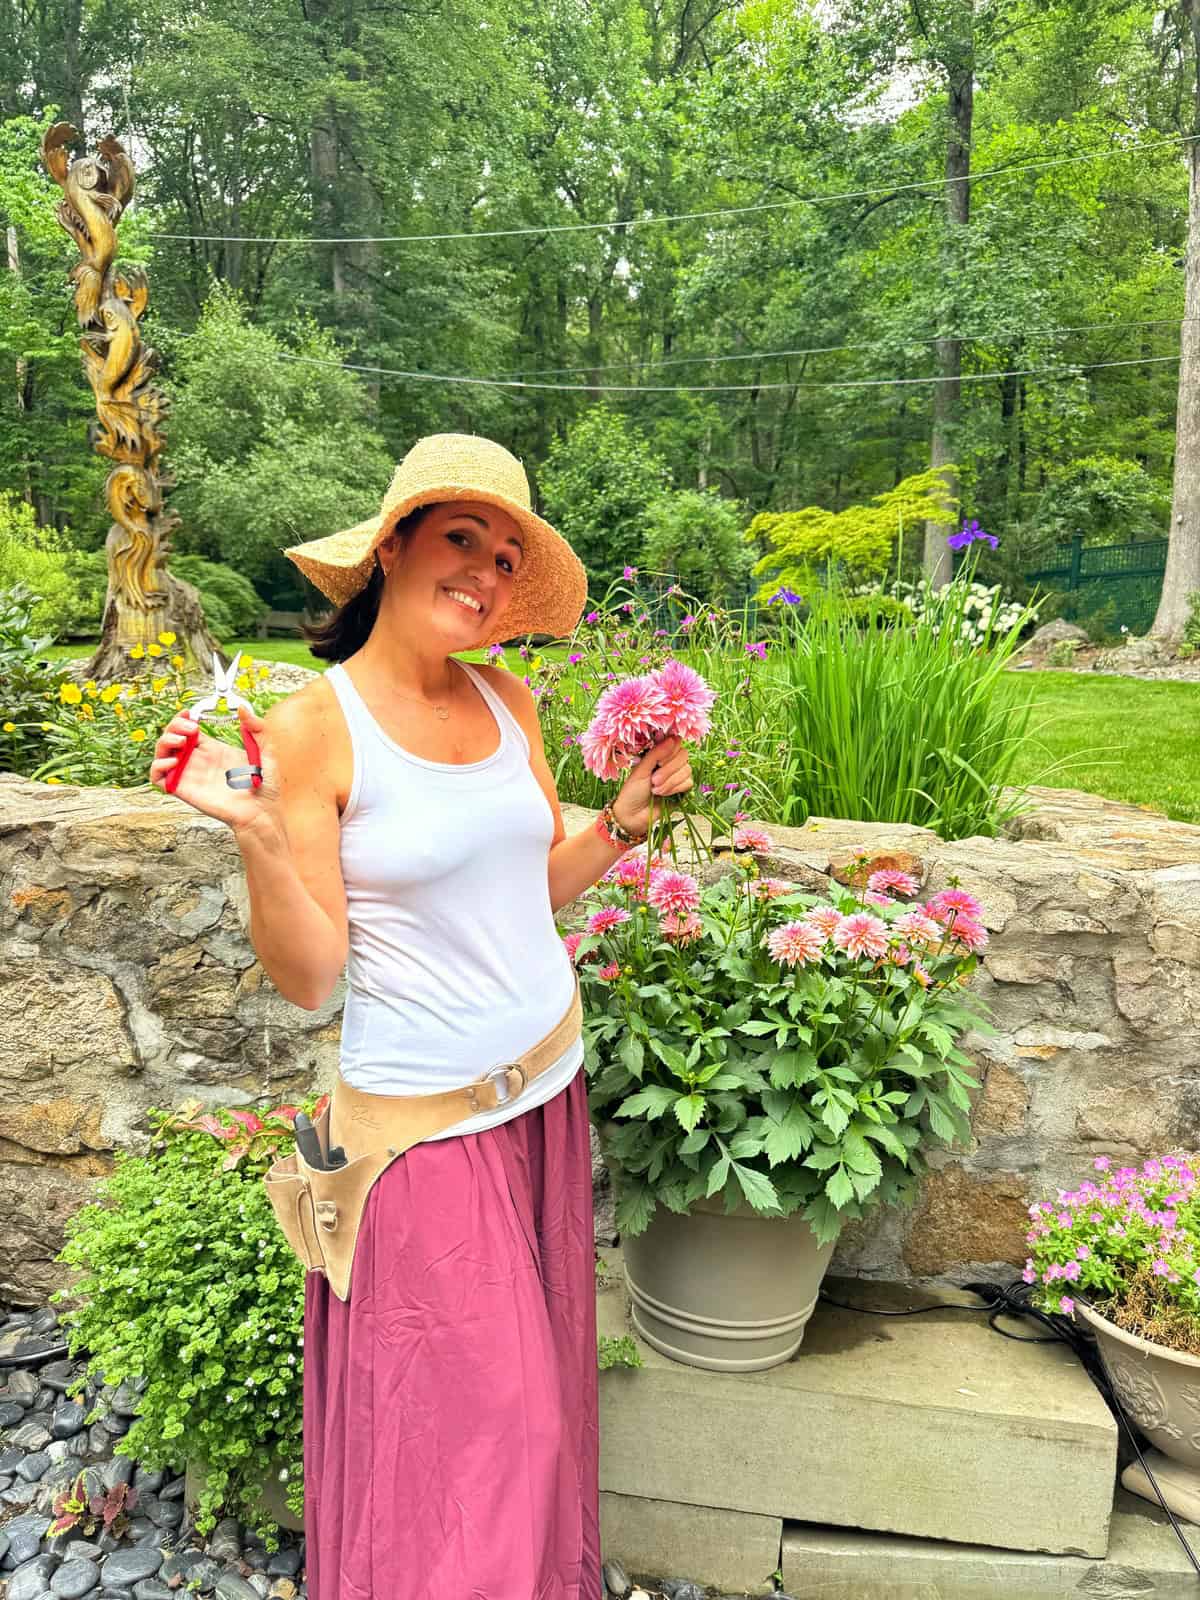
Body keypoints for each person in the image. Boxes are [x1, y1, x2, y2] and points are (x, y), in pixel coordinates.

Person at [149, 433, 693, 1600]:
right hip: (418, 1134)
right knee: (495, 1430)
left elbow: (529, 884)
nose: (486, 573)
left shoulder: (511, 701)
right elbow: (313, 977)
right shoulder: (314, 727)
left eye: (506, 556)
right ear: (390, 547)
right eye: (463, 540)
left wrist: (626, 820)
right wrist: (252, 834)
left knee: (520, 1422)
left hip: (544, 1096)